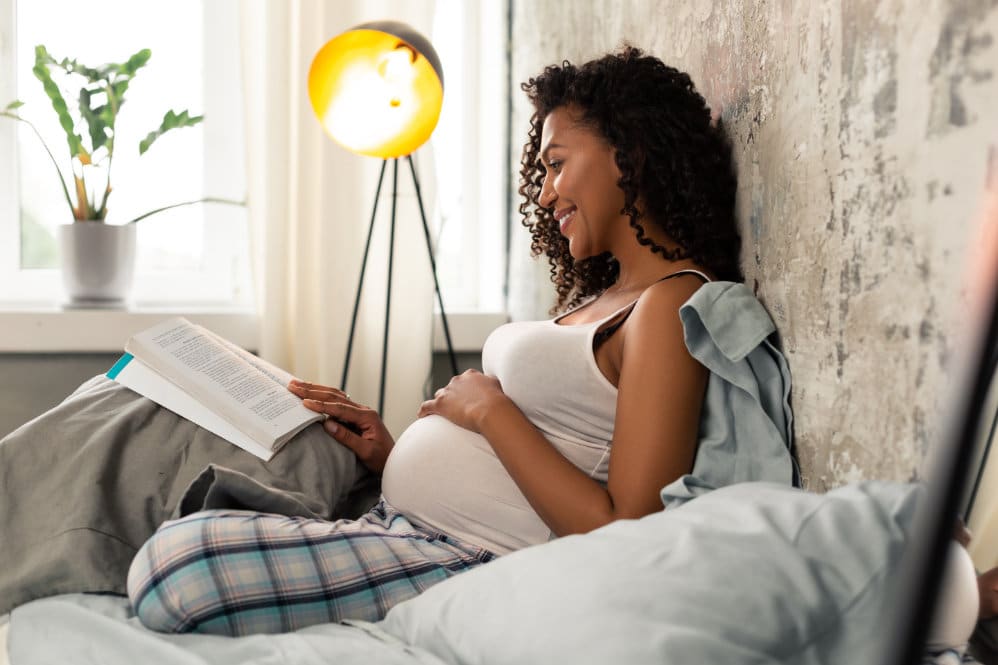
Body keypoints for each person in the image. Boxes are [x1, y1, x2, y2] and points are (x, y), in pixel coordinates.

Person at [126, 46, 790, 636]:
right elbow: (536, 456)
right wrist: (391, 455)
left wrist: (487, 410)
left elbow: (628, 526)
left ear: (630, 152)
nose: (545, 193)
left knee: (174, 567)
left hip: (460, 556)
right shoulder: (602, 300)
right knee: (162, 476)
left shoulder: (670, 304)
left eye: (557, 164)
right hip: (397, 521)